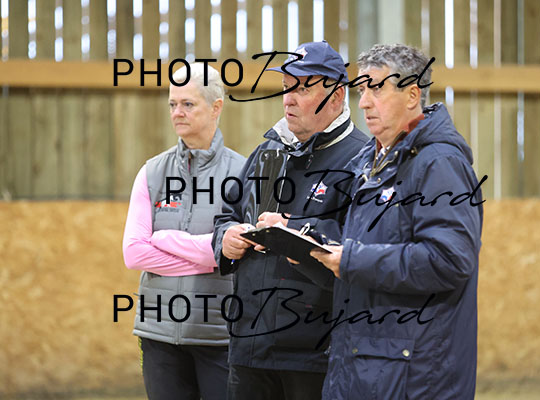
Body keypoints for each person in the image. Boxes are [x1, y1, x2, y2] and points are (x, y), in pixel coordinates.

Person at [310, 44, 483, 399]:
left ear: (412, 95)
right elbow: (368, 241)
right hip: (368, 365)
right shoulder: (372, 162)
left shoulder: (439, 164)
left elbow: (449, 260)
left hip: (414, 376)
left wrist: (351, 260)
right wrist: (304, 235)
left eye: (376, 89)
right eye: (361, 90)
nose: (364, 103)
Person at [212, 41, 368, 400]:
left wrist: (294, 231)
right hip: (248, 347)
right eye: (286, 88)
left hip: (314, 355)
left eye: (302, 89)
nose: (288, 100)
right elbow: (228, 214)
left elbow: (362, 246)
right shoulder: (267, 152)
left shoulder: (360, 160)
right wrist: (226, 237)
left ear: (337, 96)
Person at [122, 63, 245, 400]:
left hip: (219, 335)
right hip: (158, 334)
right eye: (173, 104)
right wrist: (211, 256)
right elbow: (134, 253)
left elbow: (240, 251)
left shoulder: (243, 173)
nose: (177, 112)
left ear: (216, 107)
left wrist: (166, 240)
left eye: (188, 104)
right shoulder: (151, 172)